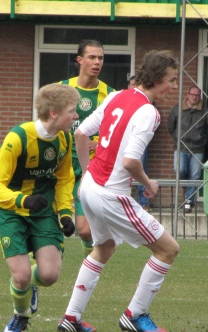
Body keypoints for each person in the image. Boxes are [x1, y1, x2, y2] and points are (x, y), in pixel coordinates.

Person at [57, 50, 180, 332]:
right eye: (172, 80)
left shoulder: (115, 96)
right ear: (158, 78)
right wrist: (148, 183)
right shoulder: (149, 112)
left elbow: (80, 133)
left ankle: (71, 317)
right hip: (111, 195)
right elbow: (130, 161)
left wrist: (87, 171)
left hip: (89, 188)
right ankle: (135, 315)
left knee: (104, 247)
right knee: (168, 249)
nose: (174, 86)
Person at [0, 83, 78, 332]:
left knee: (48, 276)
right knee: (22, 276)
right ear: (55, 113)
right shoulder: (18, 138)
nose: (76, 116)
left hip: (42, 210)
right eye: (72, 110)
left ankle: (27, 287)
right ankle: (20, 316)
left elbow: (64, 179)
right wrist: (22, 201)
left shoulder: (65, 139)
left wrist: (66, 213)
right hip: (10, 210)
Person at [60, 39, 116, 255]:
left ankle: (88, 269)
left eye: (100, 58)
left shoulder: (110, 94)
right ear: (79, 60)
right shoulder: (62, 89)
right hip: (61, 164)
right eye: (92, 57)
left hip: (89, 167)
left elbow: (115, 132)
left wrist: (100, 142)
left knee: (85, 231)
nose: (97, 62)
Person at [167, 86, 208, 213]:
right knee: (179, 170)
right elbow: (171, 127)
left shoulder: (205, 112)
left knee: (195, 175)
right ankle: (187, 193)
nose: (194, 97)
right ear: (187, 95)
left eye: (197, 95)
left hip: (197, 149)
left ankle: (188, 200)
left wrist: (202, 140)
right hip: (181, 147)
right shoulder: (177, 110)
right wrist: (177, 139)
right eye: (192, 94)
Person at [129, 75, 150, 211]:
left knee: (139, 168)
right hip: (123, 141)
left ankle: (143, 202)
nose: (134, 87)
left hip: (138, 141)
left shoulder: (145, 103)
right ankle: (127, 200)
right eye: (132, 84)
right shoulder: (123, 101)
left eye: (137, 84)